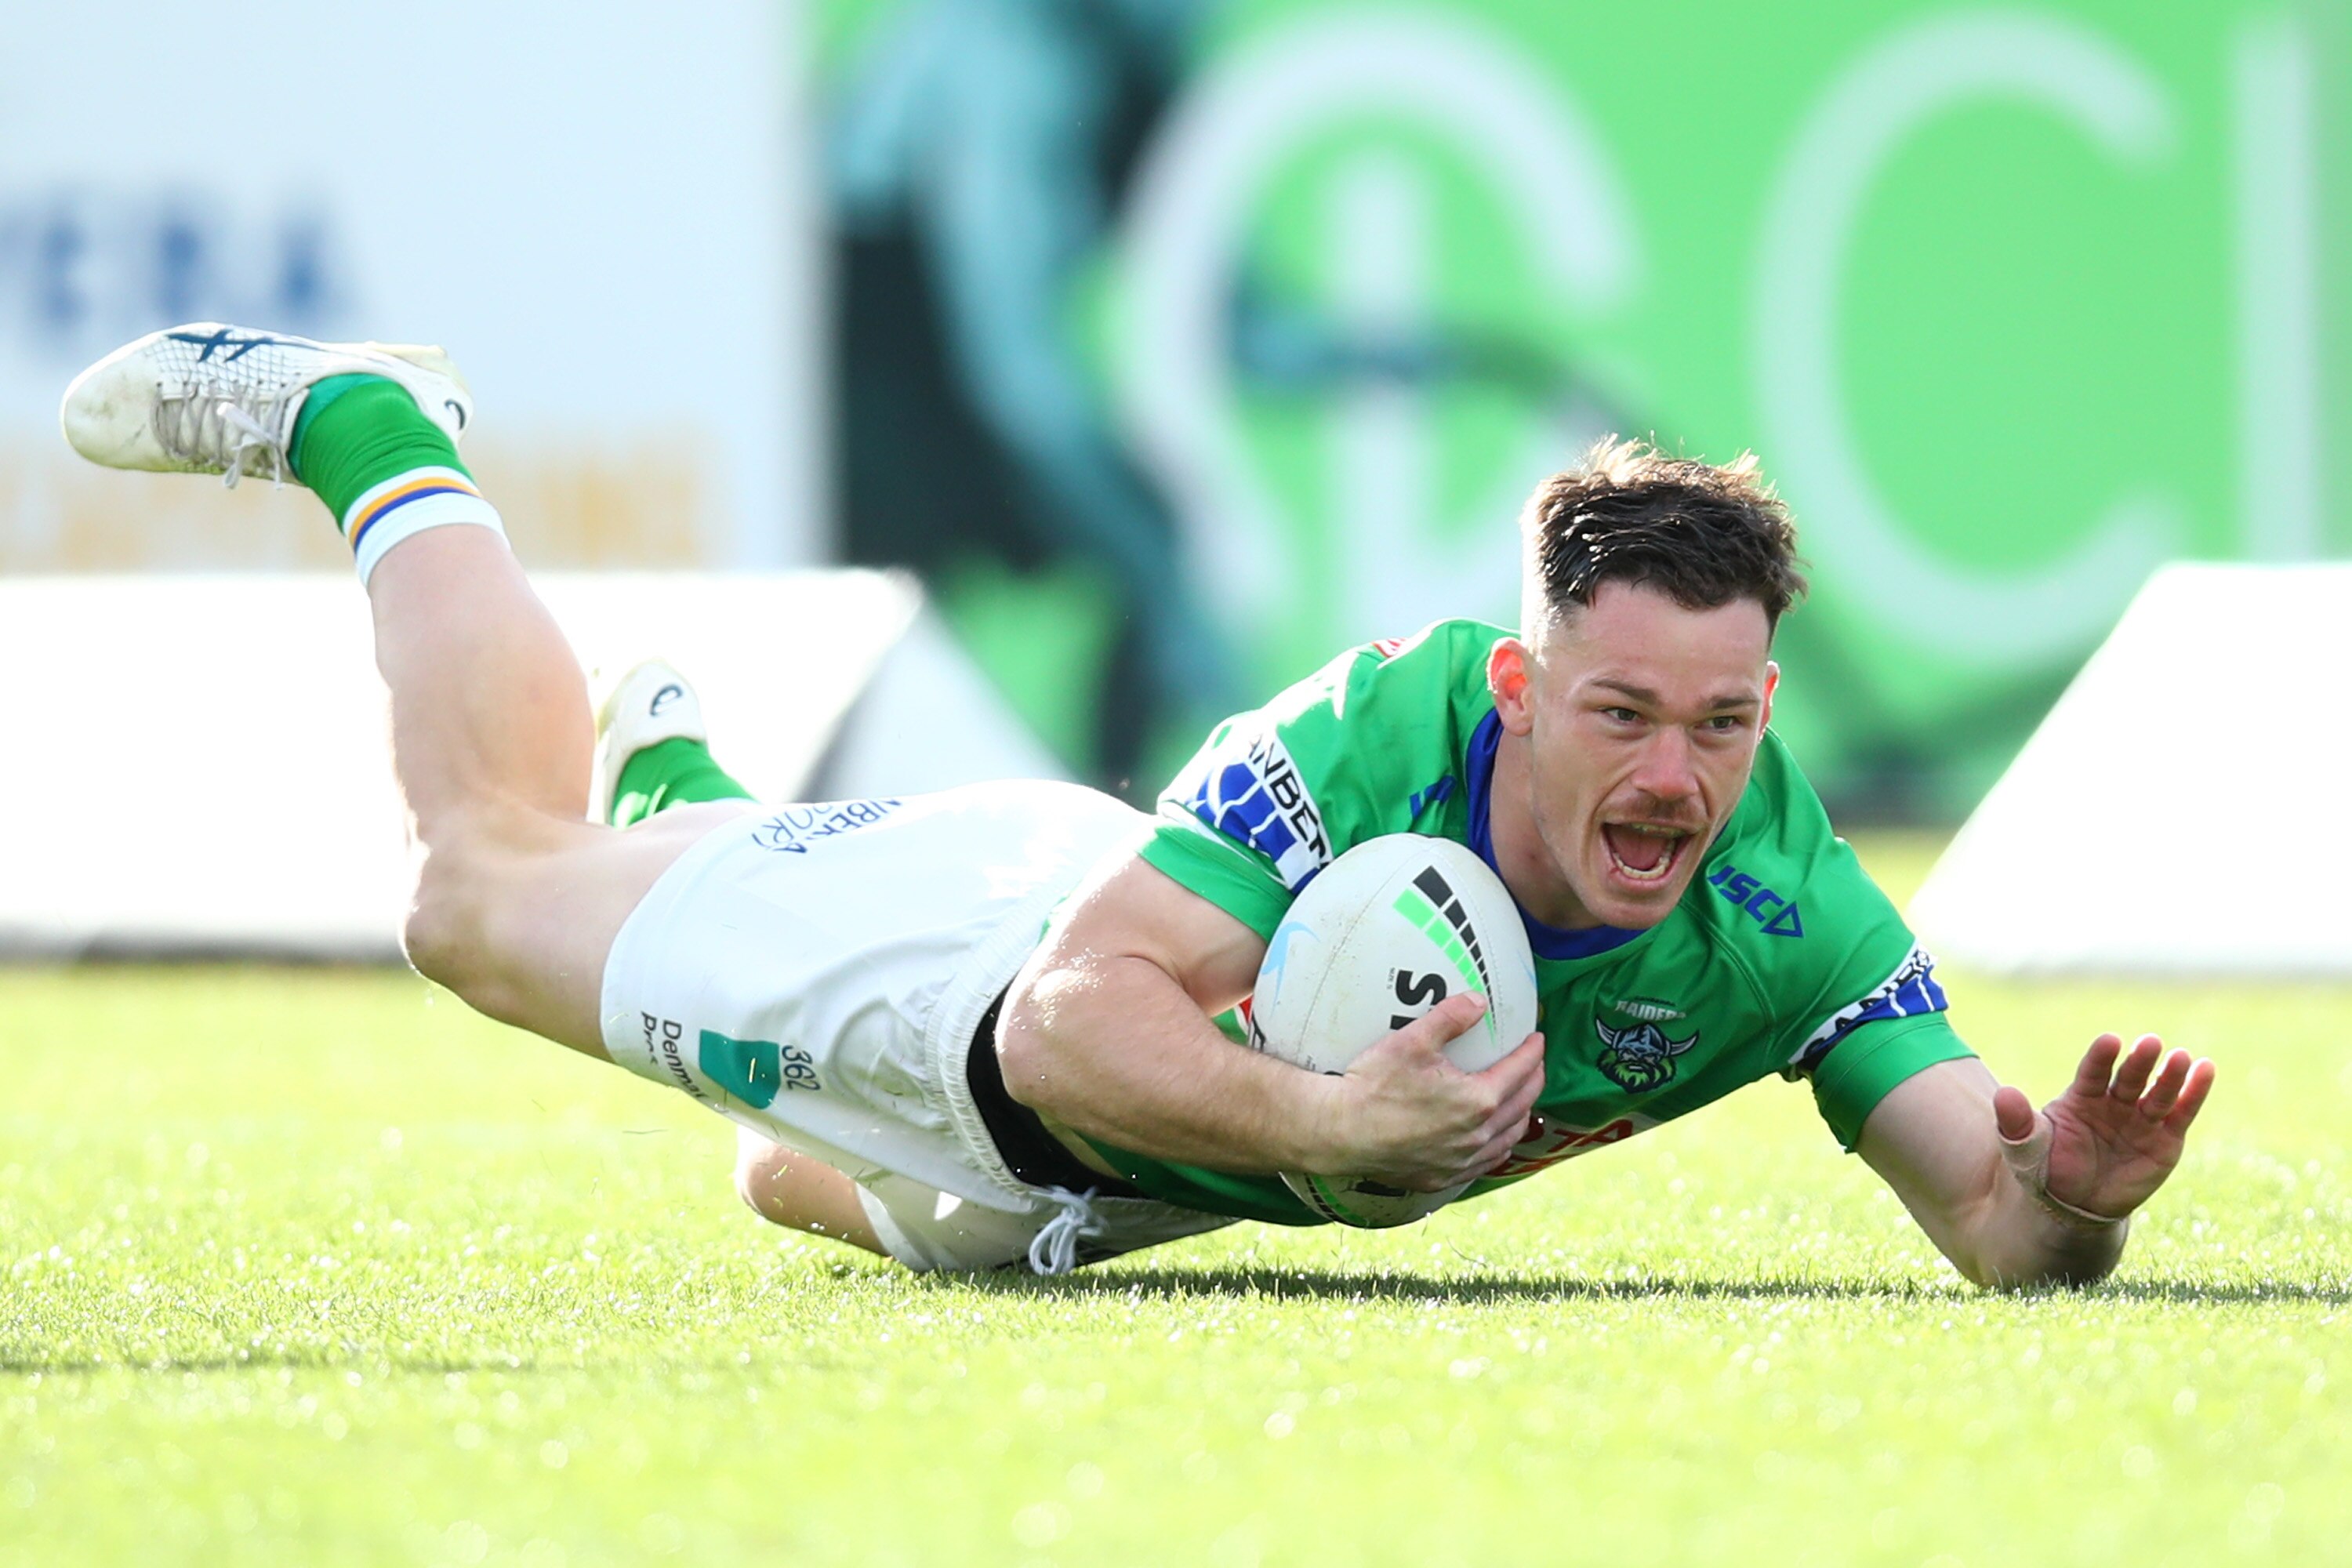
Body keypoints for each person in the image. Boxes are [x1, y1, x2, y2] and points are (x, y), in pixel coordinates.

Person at [62, 322, 2215, 1283]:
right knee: (474, 895)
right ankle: (376, 435)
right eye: (1626, 712)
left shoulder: (1793, 911)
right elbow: (1070, 1020)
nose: (1675, 777)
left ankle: (697, 797)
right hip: (984, 965)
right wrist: (1320, 1128)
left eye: (1725, 723)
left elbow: (1992, 1225)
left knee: (781, 1185)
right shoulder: (1382, 729)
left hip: (1096, 1202)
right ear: (1519, 681)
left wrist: (2084, 1205)